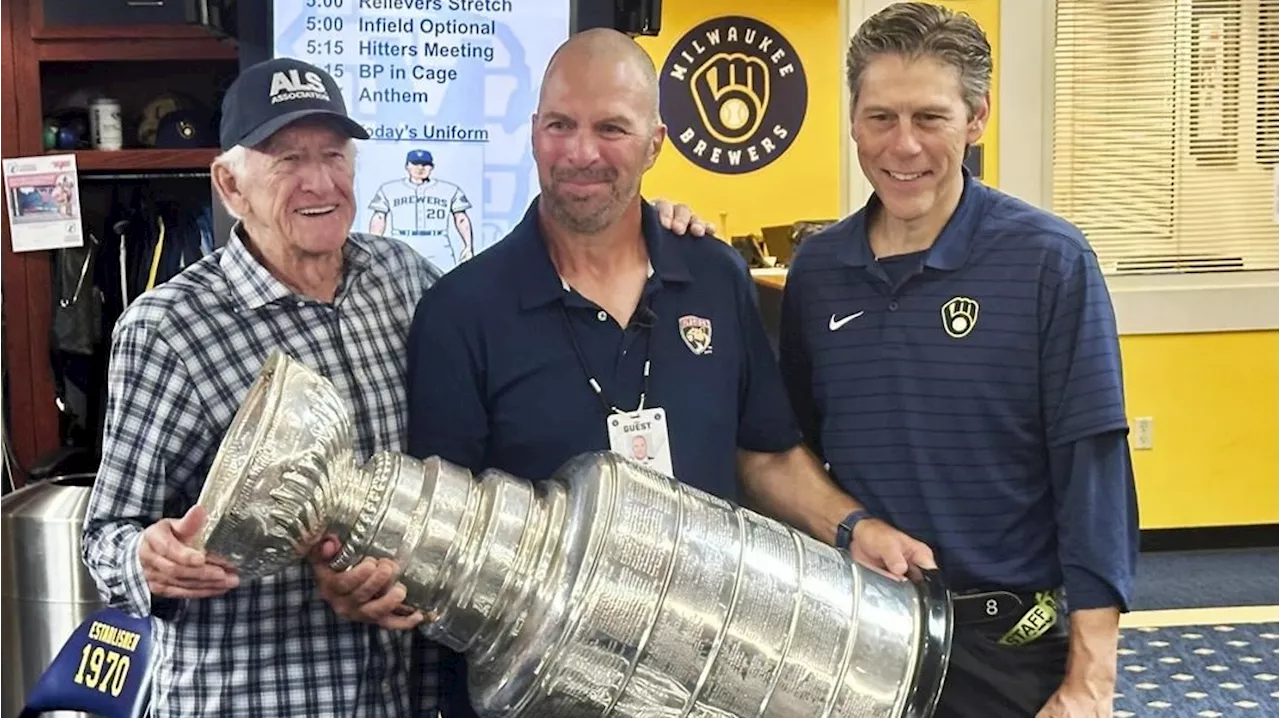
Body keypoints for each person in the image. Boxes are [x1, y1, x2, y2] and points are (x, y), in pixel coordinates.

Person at [78, 56, 711, 718]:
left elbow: (533, 290)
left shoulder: (403, 279)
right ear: (230, 184)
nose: (318, 180)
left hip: (396, 695)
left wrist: (640, 227)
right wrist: (145, 559)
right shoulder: (168, 329)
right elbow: (107, 535)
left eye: (333, 154)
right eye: (287, 159)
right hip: (255, 696)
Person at [403, 28, 936, 718]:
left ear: (656, 143)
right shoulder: (459, 311)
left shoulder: (714, 278)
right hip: (543, 692)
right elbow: (448, 532)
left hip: (708, 681)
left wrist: (851, 527)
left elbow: (763, 453)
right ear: (533, 133)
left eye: (611, 128)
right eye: (560, 125)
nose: (582, 152)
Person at [777, 4, 1140, 717]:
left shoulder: (1050, 262)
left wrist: (1091, 677)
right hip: (854, 639)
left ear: (977, 118)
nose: (903, 145)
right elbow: (796, 457)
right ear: (853, 120)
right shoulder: (817, 273)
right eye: (880, 117)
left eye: (930, 118)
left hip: (1007, 650)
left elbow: (1092, 472)